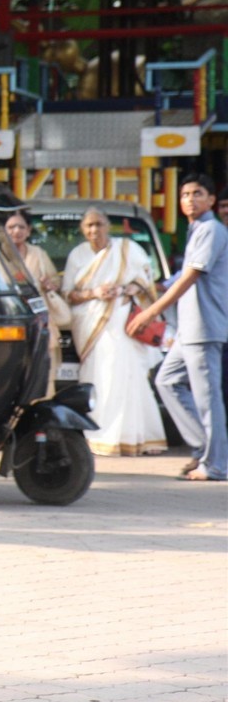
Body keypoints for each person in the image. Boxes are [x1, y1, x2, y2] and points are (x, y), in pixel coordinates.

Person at [127, 175, 227, 480]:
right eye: (185, 194)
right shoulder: (197, 230)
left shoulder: (211, 230)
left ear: (210, 200)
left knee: (207, 398)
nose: (190, 199)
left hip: (205, 326)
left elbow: (190, 278)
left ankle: (217, 464)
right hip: (189, 327)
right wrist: (146, 287)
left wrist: (150, 313)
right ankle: (203, 449)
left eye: (198, 193)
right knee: (167, 381)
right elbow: (175, 278)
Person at [62, 207, 165, 457]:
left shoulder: (127, 249)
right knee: (100, 377)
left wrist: (127, 288)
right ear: (83, 230)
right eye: (89, 226)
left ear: (108, 226)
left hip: (122, 323)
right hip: (90, 326)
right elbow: (69, 294)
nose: (94, 230)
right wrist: (95, 293)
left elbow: (146, 282)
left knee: (127, 376)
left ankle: (136, 437)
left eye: (98, 224)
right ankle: (99, 434)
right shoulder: (77, 255)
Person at [5, 209, 63, 395]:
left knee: (43, 375)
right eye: (11, 227)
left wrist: (50, 285)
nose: (16, 231)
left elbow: (56, 281)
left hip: (39, 322)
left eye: (21, 226)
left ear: (28, 230)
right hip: (8, 323)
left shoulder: (38, 254)